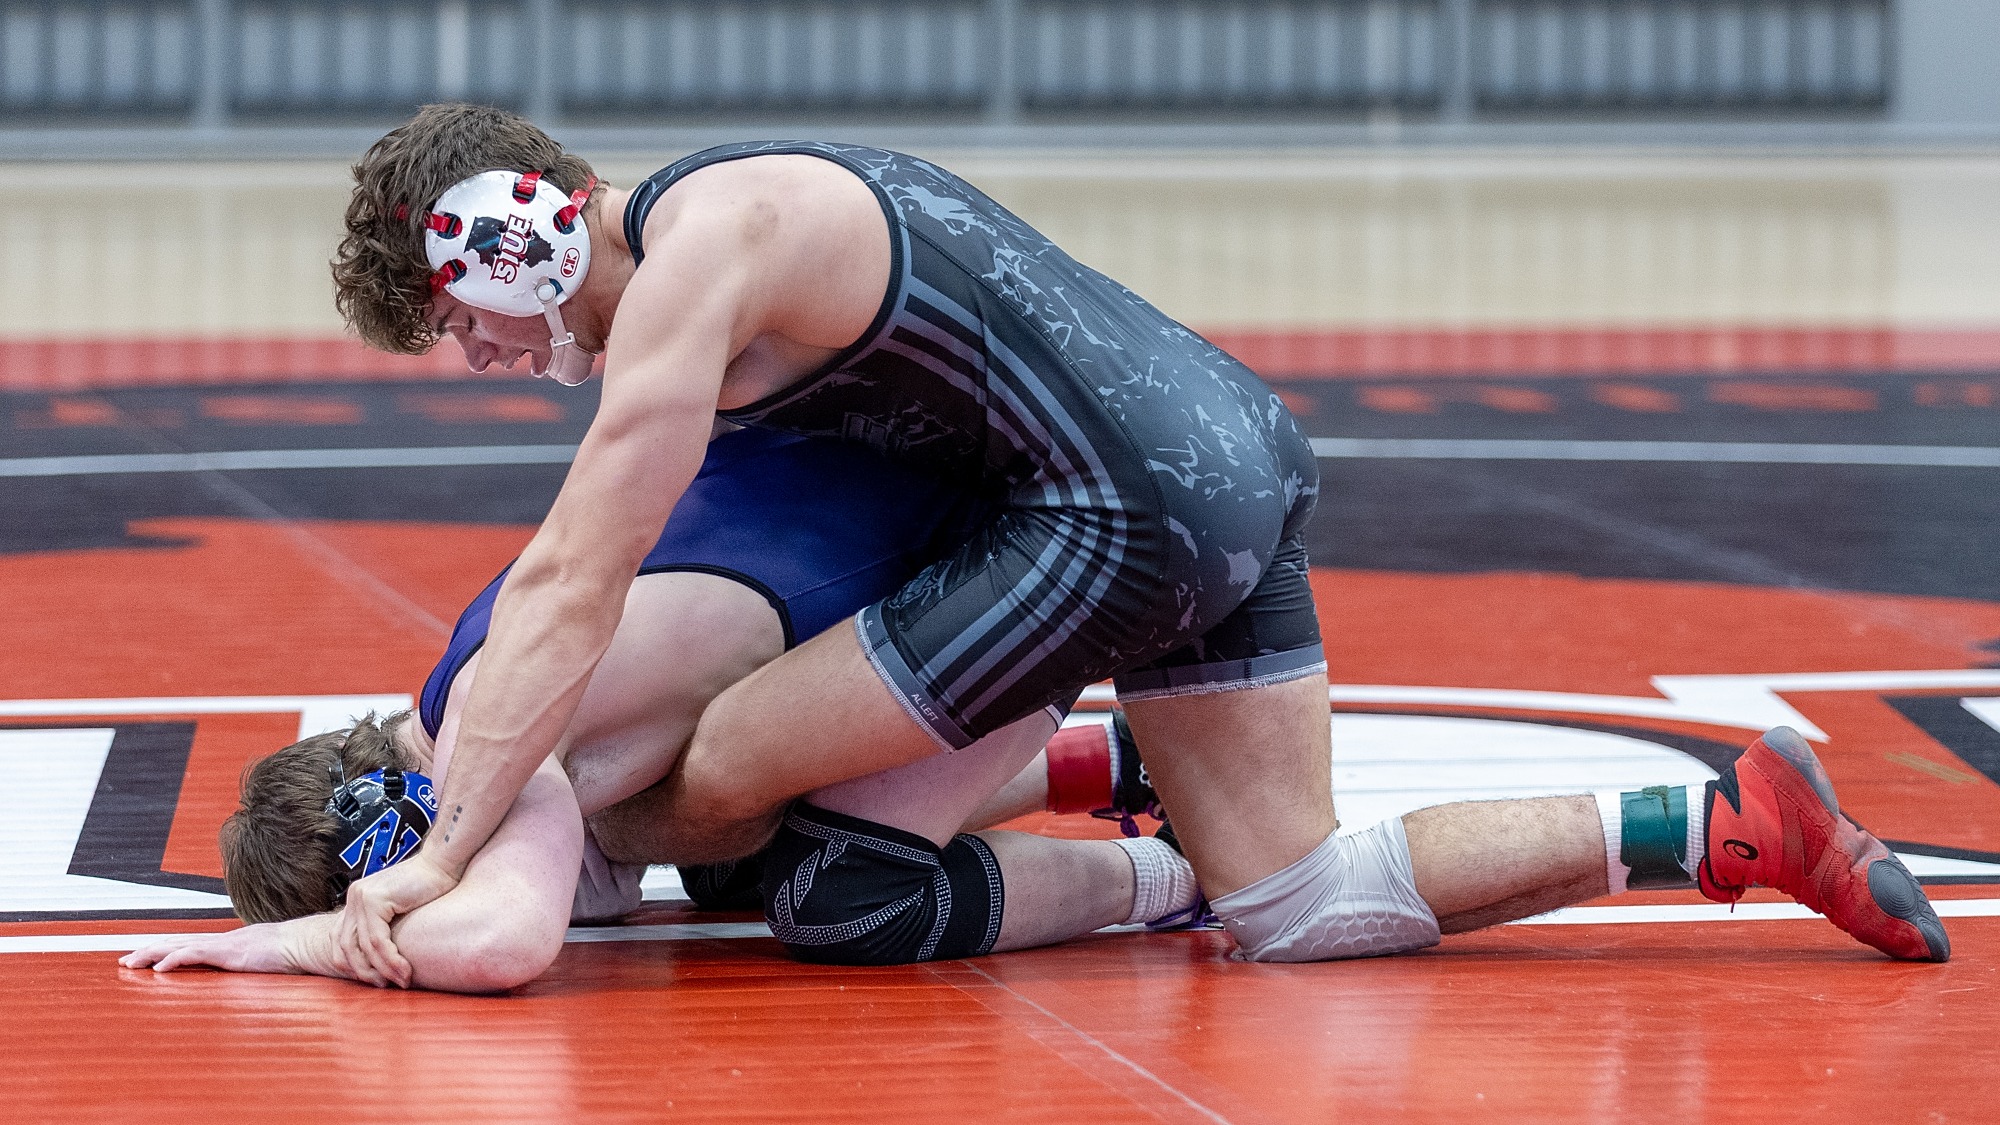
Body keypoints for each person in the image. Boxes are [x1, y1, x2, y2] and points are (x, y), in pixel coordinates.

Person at [322, 103, 1949, 985]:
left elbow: (576, 574)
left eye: (452, 317)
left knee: (735, 779)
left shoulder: (702, 258)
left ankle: (1085, 793)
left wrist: (459, 837)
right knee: (1299, 908)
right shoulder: (736, 213)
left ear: (518, 233)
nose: (471, 356)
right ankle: (1712, 828)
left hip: (1110, 519)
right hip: (1234, 452)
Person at [123, 426, 1199, 991]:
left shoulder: (492, 735)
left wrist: (295, 947)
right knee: (718, 840)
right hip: (1011, 522)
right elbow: (597, 890)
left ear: (391, 836)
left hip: (1056, 547)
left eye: (392, 911)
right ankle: (1113, 763)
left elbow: (504, 944)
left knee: (843, 898)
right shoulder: (476, 682)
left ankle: (1184, 879)